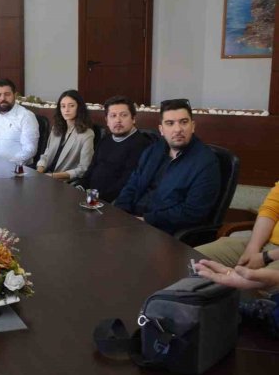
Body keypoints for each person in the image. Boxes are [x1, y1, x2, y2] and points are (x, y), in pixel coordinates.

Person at [115, 98, 220, 235]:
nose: (178, 129)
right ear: (161, 130)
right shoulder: (153, 150)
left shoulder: (205, 162)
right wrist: (120, 213)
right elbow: (132, 185)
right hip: (134, 222)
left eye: (184, 122)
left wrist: (145, 219)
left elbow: (193, 212)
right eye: (170, 123)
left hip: (164, 231)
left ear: (193, 126)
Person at [195, 181, 279, 290]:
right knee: (193, 259)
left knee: (257, 285)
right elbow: (270, 210)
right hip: (267, 242)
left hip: (274, 255)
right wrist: (252, 248)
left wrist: (266, 257)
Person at [79, 95, 152, 200]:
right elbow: (92, 168)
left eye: (123, 115)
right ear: (107, 121)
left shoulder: (142, 144)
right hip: (91, 197)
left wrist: (94, 198)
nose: (118, 120)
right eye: (113, 116)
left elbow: (127, 183)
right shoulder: (105, 140)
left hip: (112, 203)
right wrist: (80, 187)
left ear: (133, 119)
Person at [36, 90, 94, 181]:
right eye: (63, 106)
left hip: (62, 181)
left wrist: (52, 176)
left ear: (79, 108)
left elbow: (83, 168)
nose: (66, 110)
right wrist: (38, 172)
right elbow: (46, 155)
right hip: (45, 176)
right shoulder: (56, 128)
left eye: (71, 106)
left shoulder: (87, 134)